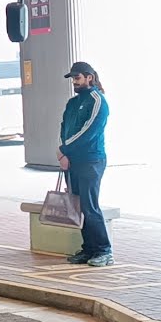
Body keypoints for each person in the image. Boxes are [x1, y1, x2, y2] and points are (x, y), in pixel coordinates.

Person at [56, 61, 112, 267]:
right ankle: (88, 249)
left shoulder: (98, 101)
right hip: (73, 160)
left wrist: (64, 150)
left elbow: (89, 132)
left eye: (77, 78)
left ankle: (104, 250)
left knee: (90, 206)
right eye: (72, 79)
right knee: (78, 206)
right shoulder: (72, 103)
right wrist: (65, 153)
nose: (74, 82)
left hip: (91, 160)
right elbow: (65, 129)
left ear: (89, 77)